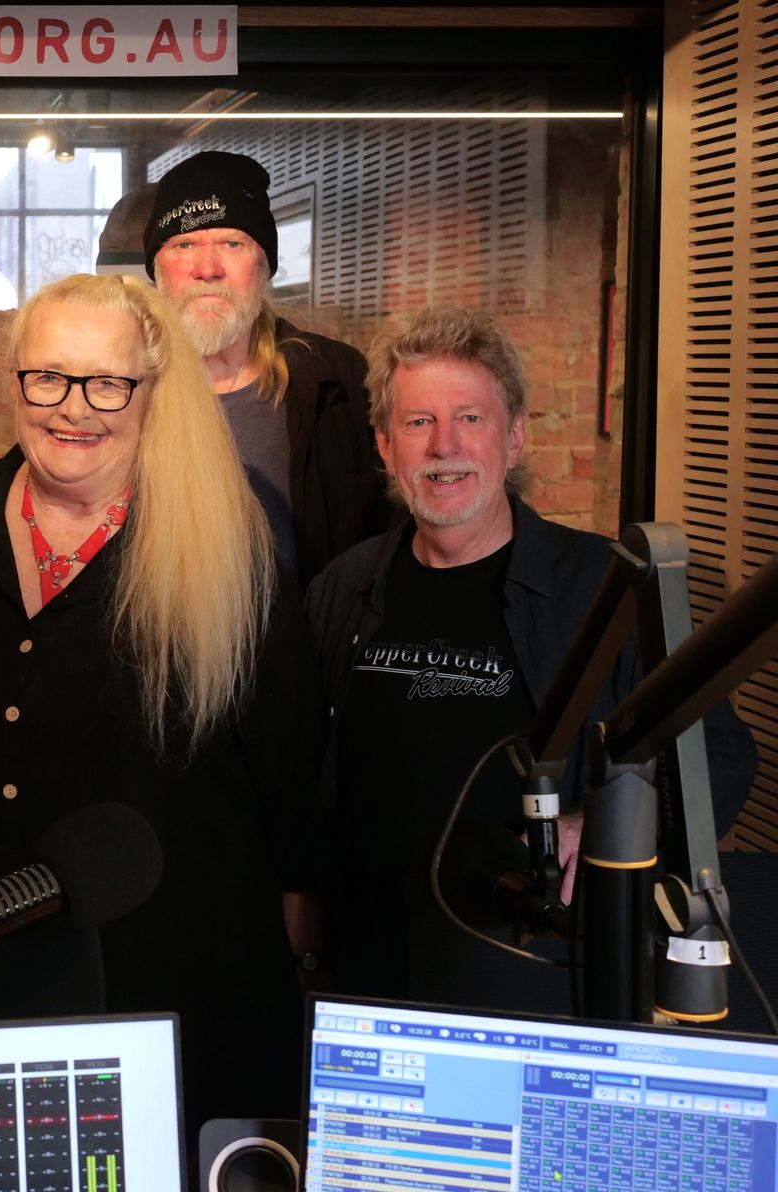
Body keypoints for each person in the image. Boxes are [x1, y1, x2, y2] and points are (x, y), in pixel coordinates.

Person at [0, 273, 324, 1128]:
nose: (73, 408)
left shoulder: (229, 547)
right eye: (48, 377)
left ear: (150, 392)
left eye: (107, 382)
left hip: (179, 985)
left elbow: (288, 767)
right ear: (16, 382)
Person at [306, 304, 757, 1002]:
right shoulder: (343, 588)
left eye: (471, 418)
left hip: (536, 976)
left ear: (513, 438)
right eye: (419, 422)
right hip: (368, 971)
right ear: (385, 446)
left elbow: (719, 758)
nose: (444, 445)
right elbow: (301, 778)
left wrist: (598, 824)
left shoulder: (607, 590)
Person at [146, 150, 392, 581]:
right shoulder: (119, 384)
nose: (208, 269)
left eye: (232, 243)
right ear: (157, 268)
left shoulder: (338, 380)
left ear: (264, 267)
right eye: (185, 244)